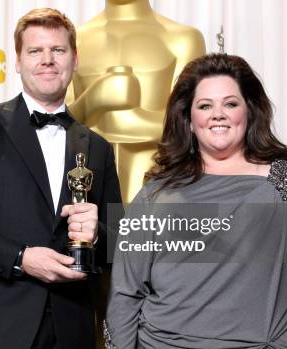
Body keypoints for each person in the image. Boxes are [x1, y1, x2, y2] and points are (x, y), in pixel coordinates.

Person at [105, 54, 287, 348]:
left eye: (230, 104)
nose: (217, 114)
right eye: (205, 106)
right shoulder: (156, 193)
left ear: (250, 112)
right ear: (189, 120)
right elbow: (125, 292)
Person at [0, 8, 122, 349]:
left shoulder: (99, 148)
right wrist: (20, 257)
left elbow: (120, 241)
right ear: (17, 61)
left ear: (74, 60)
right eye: (35, 51)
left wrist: (98, 233)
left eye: (58, 50)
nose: (47, 60)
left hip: (70, 329)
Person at [67, 0, 205, 203]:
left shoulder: (183, 39)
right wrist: (93, 99)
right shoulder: (73, 42)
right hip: (85, 191)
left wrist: (129, 120)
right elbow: (57, 126)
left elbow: (193, 124)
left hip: (161, 187)